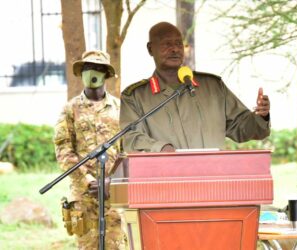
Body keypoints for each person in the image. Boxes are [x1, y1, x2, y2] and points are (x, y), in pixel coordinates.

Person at [120, 22, 271, 153]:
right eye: (167, 44)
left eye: (179, 43)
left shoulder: (213, 87)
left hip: (213, 180)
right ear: (150, 49)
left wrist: (261, 116)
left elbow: (241, 128)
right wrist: (159, 148)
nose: (174, 49)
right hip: (166, 181)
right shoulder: (134, 97)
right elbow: (130, 138)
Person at [54, 50, 123, 249]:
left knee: (116, 245)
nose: (92, 72)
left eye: (98, 68)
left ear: (106, 74)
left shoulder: (120, 108)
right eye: (87, 68)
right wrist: (88, 180)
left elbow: (128, 151)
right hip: (83, 196)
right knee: (87, 245)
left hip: (113, 193)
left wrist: (111, 181)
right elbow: (63, 150)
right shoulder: (70, 109)